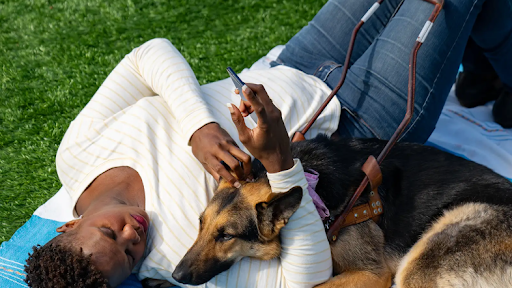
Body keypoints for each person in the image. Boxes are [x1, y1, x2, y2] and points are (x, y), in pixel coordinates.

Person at [23, 0, 512, 287]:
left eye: (111, 235)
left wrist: (198, 128)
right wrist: (280, 166)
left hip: (294, 64)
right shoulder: (174, 253)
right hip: (360, 118)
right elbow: (305, 273)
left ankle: (491, 67)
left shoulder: (77, 153)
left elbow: (148, 57)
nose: (134, 235)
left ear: (70, 222)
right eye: (129, 256)